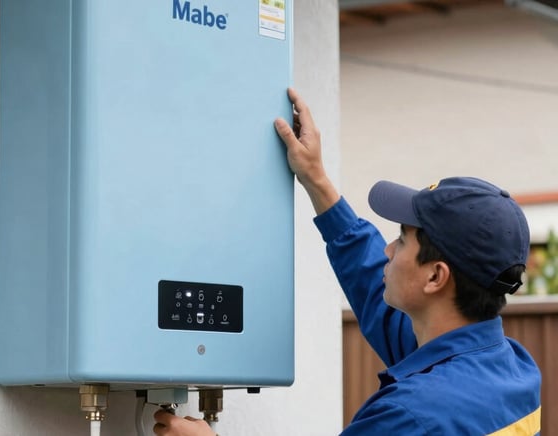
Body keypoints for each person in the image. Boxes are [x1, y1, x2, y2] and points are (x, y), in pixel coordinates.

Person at [152, 88, 542, 435]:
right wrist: (316, 179)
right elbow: (374, 284)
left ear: (435, 277)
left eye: (401, 240)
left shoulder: (410, 415)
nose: (388, 251)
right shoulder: (511, 371)